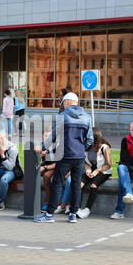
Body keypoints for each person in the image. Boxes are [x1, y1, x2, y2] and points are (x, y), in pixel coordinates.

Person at [34, 92, 93, 223]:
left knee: (57, 183)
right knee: (76, 184)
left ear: (66, 102)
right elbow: (90, 139)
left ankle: (49, 214)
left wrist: (43, 147)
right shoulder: (87, 117)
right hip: (79, 156)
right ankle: (73, 213)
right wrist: (80, 148)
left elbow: (52, 136)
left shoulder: (63, 116)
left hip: (65, 154)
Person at [77, 127, 113, 219]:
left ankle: (87, 210)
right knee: (80, 184)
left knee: (93, 185)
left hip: (103, 171)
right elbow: (85, 162)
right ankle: (76, 208)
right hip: (91, 170)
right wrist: (88, 170)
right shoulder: (86, 147)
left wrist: (97, 171)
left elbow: (108, 165)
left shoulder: (104, 148)